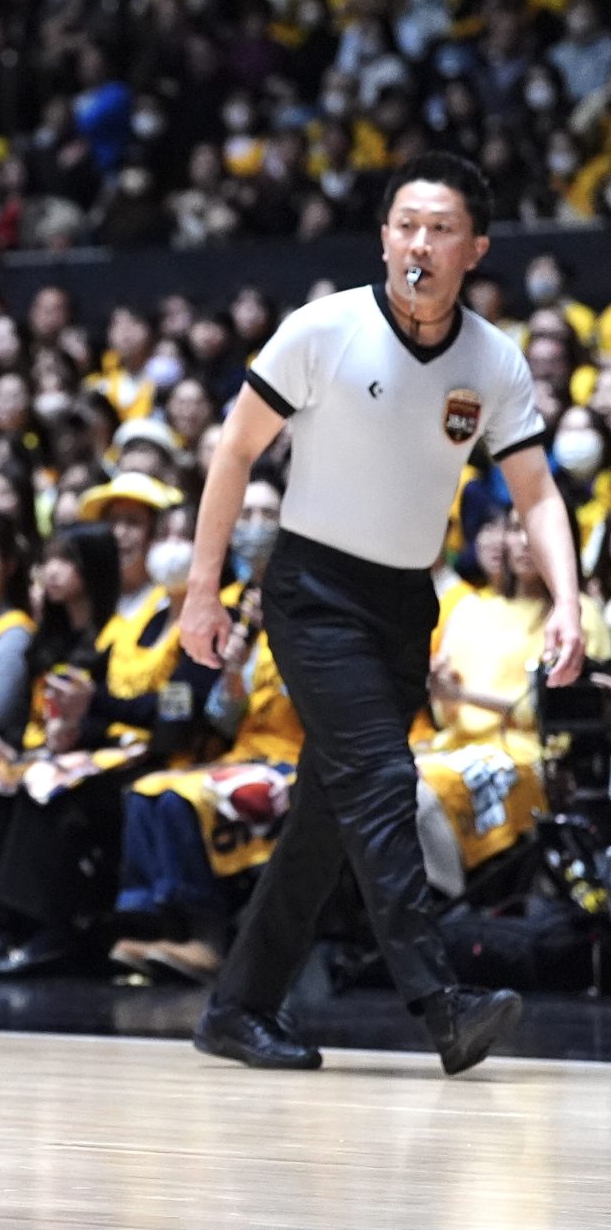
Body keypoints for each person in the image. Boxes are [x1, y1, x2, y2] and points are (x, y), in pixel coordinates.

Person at [180, 154, 584, 1076]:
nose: (420, 244)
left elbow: (536, 492)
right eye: (406, 225)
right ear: (383, 238)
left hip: (406, 602)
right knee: (379, 777)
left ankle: (239, 1007)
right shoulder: (323, 329)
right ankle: (441, 1003)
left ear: (475, 249)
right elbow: (233, 452)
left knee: (330, 813)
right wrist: (203, 589)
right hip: (314, 592)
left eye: (441, 229)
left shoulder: (493, 360)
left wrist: (567, 600)